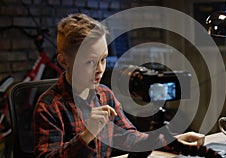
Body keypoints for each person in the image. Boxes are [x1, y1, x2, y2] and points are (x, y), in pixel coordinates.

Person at [33, 13, 205, 158]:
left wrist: (174, 142)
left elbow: (129, 137)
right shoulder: (49, 107)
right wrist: (86, 136)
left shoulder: (105, 95)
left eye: (103, 59)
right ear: (64, 61)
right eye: (90, 62)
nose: (100, 69)